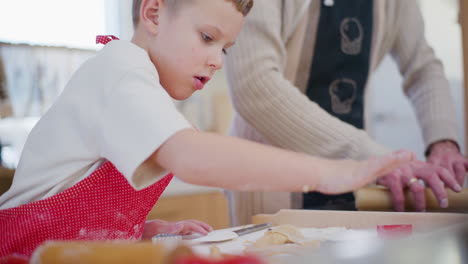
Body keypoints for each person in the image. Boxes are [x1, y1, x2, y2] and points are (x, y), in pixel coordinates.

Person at [0, 0, 414, 259]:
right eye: (207, 37)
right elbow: (193, 157)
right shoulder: (120, 72)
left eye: (225, 48)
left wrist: (136, 230)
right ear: (154, 12)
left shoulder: (143, 91)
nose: (217, 60)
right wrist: (327, 171)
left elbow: (72, 208)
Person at [225, 0, 468, 225]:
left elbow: (423, 67)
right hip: (273, 180)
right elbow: (254, 86)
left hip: (357, 182)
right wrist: (371, 159)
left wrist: (443, 142)